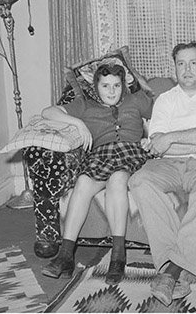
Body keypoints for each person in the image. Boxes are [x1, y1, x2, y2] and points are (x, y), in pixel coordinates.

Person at [128, 42, 196, 305]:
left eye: (193, 63)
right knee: (139, 181)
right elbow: (158, 144)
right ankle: (179, 267)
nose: (187, 69)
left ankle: (172, 271)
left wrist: (175, 139)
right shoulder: (165, 99)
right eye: (181, 64)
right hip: (168, 164)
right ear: (174, 68)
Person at [38, 63, 152, 285]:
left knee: (117, 180)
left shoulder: (136, 99)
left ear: (123, 86)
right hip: (100, 155)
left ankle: (118, 256)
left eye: (116, 86)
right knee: (82, 182)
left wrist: (153, 136)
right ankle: (65, 255)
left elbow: (163, 112)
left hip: (130, 152)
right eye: (106, 85)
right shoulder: (85, 105)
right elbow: (47, 112)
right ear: (96, 87)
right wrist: (77, 122)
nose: (111, 91)